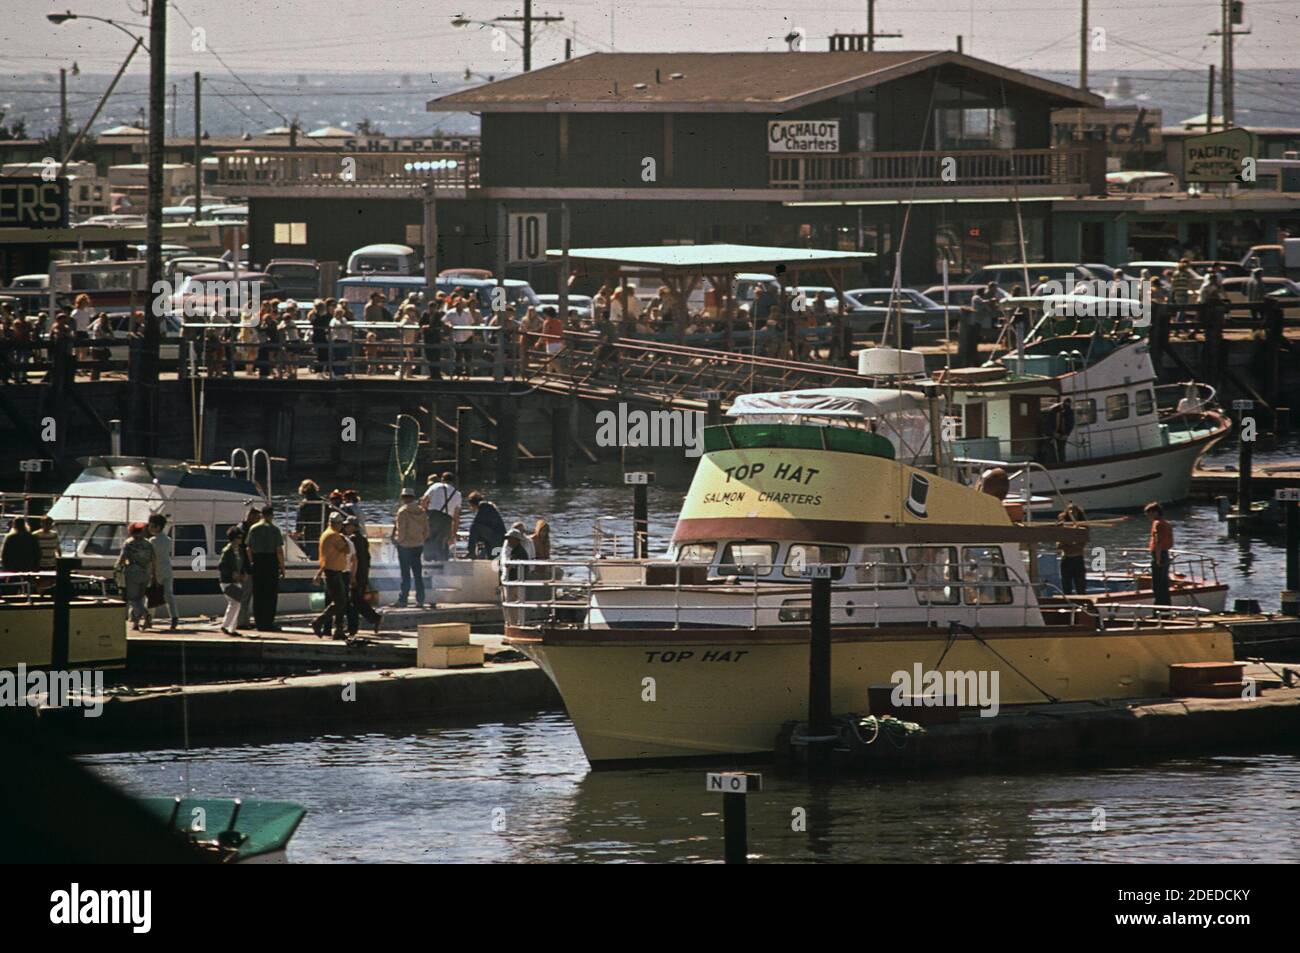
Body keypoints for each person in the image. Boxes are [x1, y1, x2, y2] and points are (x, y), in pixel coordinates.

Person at [246, 504, 286, 631]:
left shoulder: (253, 528)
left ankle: (259, 623)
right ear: (272, 515)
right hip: (271, 561)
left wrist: (252, 561)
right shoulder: (274, 529)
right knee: (270, 594)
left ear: (261, 515)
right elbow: (279, 550)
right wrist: (282, 567)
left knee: (258, 594)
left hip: (257, 561)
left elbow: (248, 548)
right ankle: (268, 622)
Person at [313, 512, 351, 640]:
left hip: (331, 571)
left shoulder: (326, 533)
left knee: (338, 601)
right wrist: (345, 539)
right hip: (333, 572)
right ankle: (318, 621)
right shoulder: (334, 536)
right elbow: (347, 550)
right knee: (340, 602)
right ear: (338, 524)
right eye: (341, 524)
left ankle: (338, 630)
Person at [343, 517, 383, 636]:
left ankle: (372, 619)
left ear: (354, 526)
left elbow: (353, 559)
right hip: (363, 572)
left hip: (356, 573)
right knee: (355, 599)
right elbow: (367, 558)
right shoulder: (363, 539)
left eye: (348, 525)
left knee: (354, 600)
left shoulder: (352, 540)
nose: (345, 527)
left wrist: (352, 575)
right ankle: (353, 627)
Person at [116, 522, 157, 631]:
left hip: (132, 573)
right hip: (146, 574)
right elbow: (154, 560)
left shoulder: (129, 543)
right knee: (140, 599)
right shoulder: (148, 544)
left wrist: (117, 568)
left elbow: (122, 559)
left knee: (133, 599)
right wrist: (153, 574)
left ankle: (146, 614)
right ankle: (136, 624)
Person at [392, 488, 429, 607]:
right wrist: (421, 540)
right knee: (418, 573)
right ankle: (421, 599)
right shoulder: (422, 511)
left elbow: (401, 530)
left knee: (405, 574)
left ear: (403, 498)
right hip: (418, 545)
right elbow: (427, 530)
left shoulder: (403, 511)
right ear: (413, 497)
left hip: (405, 546)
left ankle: (403, 599)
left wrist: (398, 541)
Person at [146, 514, 181, 630]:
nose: (149, 528)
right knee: (169, 595)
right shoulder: (168, 540)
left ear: (157, 527)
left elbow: (151, 558)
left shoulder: (151, 541)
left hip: (156, 572)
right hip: (167, 570)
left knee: (152, 596)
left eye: (151, 526)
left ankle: (149, 619)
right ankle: (174, 617)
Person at [421, 471, 461, 562]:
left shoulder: (435, 486)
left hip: (432, 516)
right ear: (453, 482)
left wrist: (423, 513)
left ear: (442, 480)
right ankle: (442, 565)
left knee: (428, 539)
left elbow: (423, 501)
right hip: (447, 520)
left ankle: (428, 562)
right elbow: (456, 517)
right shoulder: (457, 494)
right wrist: (453, 534)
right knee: (443, 543)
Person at [218, 525, 247, 636]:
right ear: (233, 538)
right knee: (235, 602)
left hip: (237, 581)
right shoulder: (227, 551)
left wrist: (243, 573)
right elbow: (221, 566)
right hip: (227, 581)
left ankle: (232, 628)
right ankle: (226, 626)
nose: (241, 539)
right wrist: (232, 573)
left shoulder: (239, 550)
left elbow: (242, 564)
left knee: (236, 603)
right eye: (239, 537)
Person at [1056, 503, 1088, 596]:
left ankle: (1082, 604)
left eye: (1073, 511)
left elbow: (1080, 545)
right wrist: (1069, 540)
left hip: (1078, 559)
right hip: (1066, 559)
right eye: (1069, 510)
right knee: (1066, 586)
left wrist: (1069, 542)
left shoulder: (1083, 528)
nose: (1071, 513)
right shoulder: (1063, 528)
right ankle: (1067, 605)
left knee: (1080, 586)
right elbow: (1059, 545)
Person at [1146, 502, 1174, 606]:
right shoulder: (1166, 523)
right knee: (1164, 583)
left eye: (1149, 514)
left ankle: (1159, 607)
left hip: (1159, 555)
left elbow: (1158, 542)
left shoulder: (1157, 524)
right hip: (1165, 553)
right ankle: (1166, 607)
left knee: (1157, 585)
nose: (1148, 517)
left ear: (1155, 513)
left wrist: (1157, 559)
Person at [466, 491, 506, 559]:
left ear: (472, 503)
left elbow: (475, 524)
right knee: (491, 559)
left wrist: (471, 538)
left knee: (474, 527)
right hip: (497, 538)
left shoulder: (483, 506)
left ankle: (471, 552)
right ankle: (473, 553)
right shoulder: (487, 507)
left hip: (497, 538)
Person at [443, 298, 475, 379]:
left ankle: (467, 373)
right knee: (458, 356)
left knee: (468, 356)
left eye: (461, 304)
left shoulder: (467, 313)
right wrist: (448, 324)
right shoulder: (450, 313)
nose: (459, 305)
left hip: (467, 336)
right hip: (456, 337)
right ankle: (458, 373)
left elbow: (471, 322)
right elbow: (444, 320)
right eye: (458, 304)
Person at [295, 480, 327, 559]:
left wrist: (298, 532)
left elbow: (300, 521)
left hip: (311, 533)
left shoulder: (304, 505)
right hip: (324, 532)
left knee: (313, 554)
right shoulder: (323, 502)